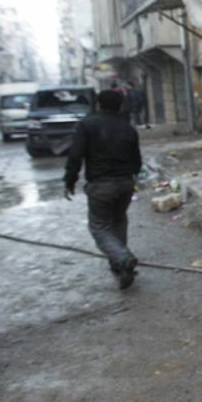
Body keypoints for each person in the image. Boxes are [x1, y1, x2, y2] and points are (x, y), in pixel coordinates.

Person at [64, 89, 142, 289]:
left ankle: (122, 258)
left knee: (99, 227)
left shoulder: (87, 125)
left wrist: (70, 180)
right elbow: (137, 161)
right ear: (120, 106)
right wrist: (132, 178)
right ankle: (121, 266)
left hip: (101, 185)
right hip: (125, 184)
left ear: (98, 104)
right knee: (119, 221)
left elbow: (75, 156)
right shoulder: (128, 128)